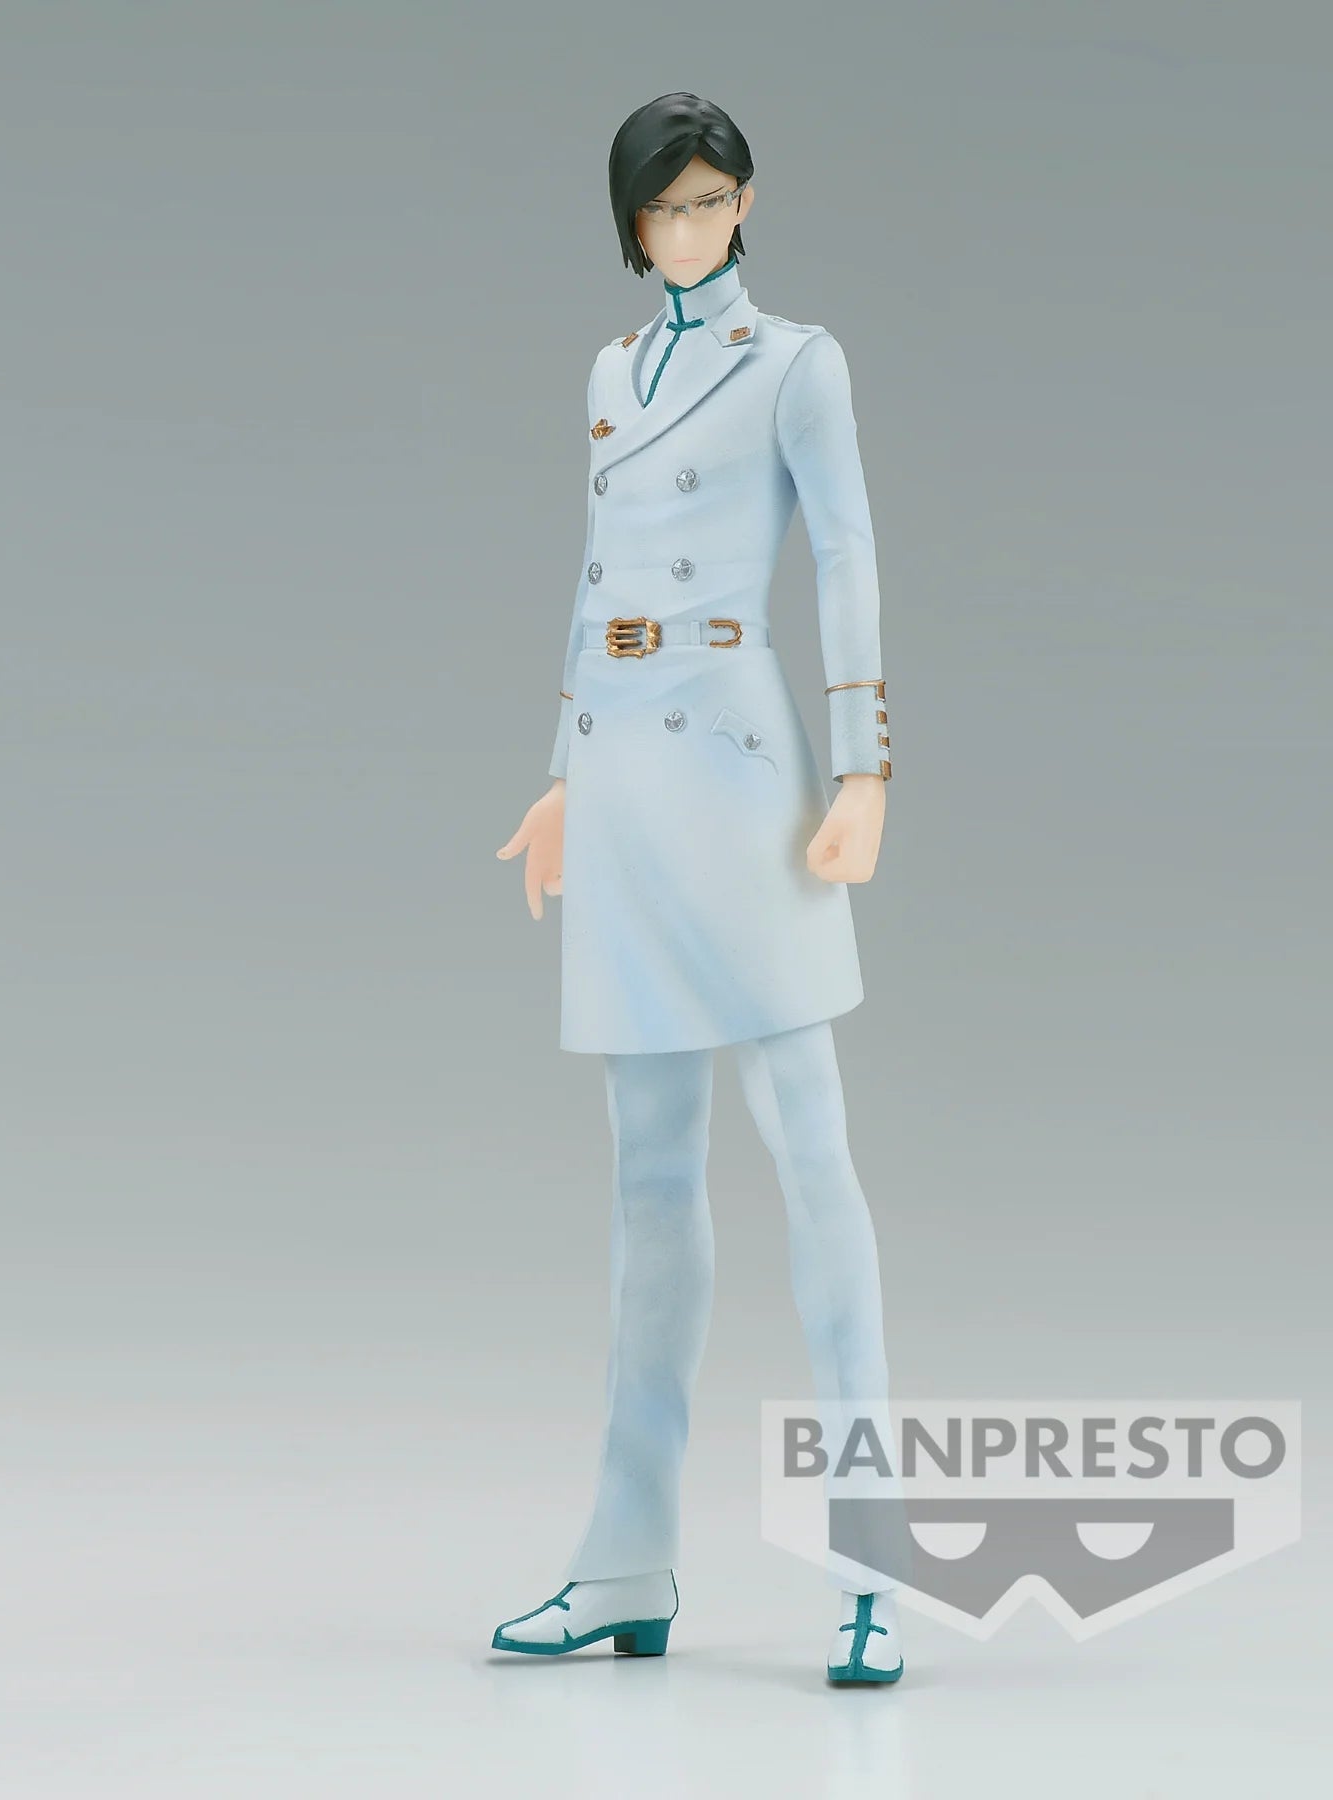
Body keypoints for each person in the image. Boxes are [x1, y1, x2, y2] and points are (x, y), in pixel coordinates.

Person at [492, 91, 906, 1685]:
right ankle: (625, 1560)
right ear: (631, 224)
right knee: (648, 1185)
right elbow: (595, 577)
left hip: (742, 768)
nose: (691, 227)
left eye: (713, 199)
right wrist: (561, 774)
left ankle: (874, 1560)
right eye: (665, 206)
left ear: (746, 204)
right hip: (627, 780)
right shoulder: (611, 374)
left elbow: (847, 553)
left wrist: (865, 769)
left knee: (813, 1156)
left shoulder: (796, 362)